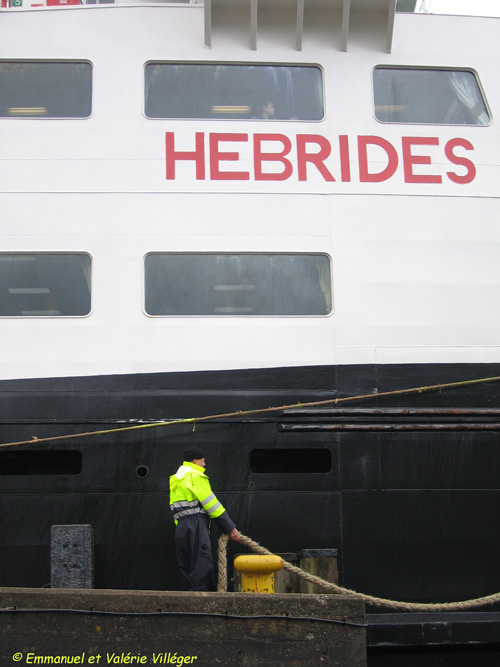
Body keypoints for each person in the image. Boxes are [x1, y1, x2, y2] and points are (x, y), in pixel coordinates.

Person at [169, 445, 240, 591]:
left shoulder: (177, 479)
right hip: (196, 525)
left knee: (186, 567)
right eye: (202, 461)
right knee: (201, 565)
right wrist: (230, 528)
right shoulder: (195, 476)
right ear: (195, 461)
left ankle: (188, 604)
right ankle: (202, 604)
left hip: (181, 527)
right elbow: (212, 505)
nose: (204, 464)